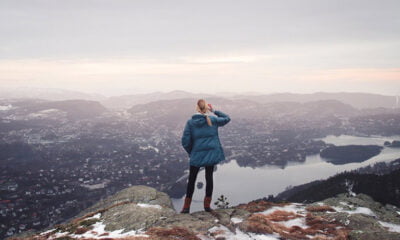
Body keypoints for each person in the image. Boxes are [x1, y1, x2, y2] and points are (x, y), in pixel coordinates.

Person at [180, 99, 231, 213]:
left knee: (192, 180)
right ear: (206, 108)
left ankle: (186, 207)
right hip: (211, 154)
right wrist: (214, 111)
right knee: (209, 178)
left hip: (196, 155)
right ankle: (207, 206)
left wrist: (191, 152)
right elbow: (227, 118)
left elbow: (185, 141)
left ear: (196, 108)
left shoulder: (190, 122)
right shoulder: (212, 119)